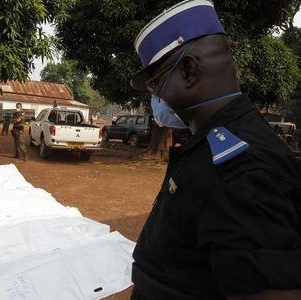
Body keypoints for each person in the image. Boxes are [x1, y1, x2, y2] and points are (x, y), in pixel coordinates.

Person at [129, 1, 301, 299]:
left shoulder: (240, 173)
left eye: (154, 84)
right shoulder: (213, 145)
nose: (154, 96)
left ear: (189, 70)